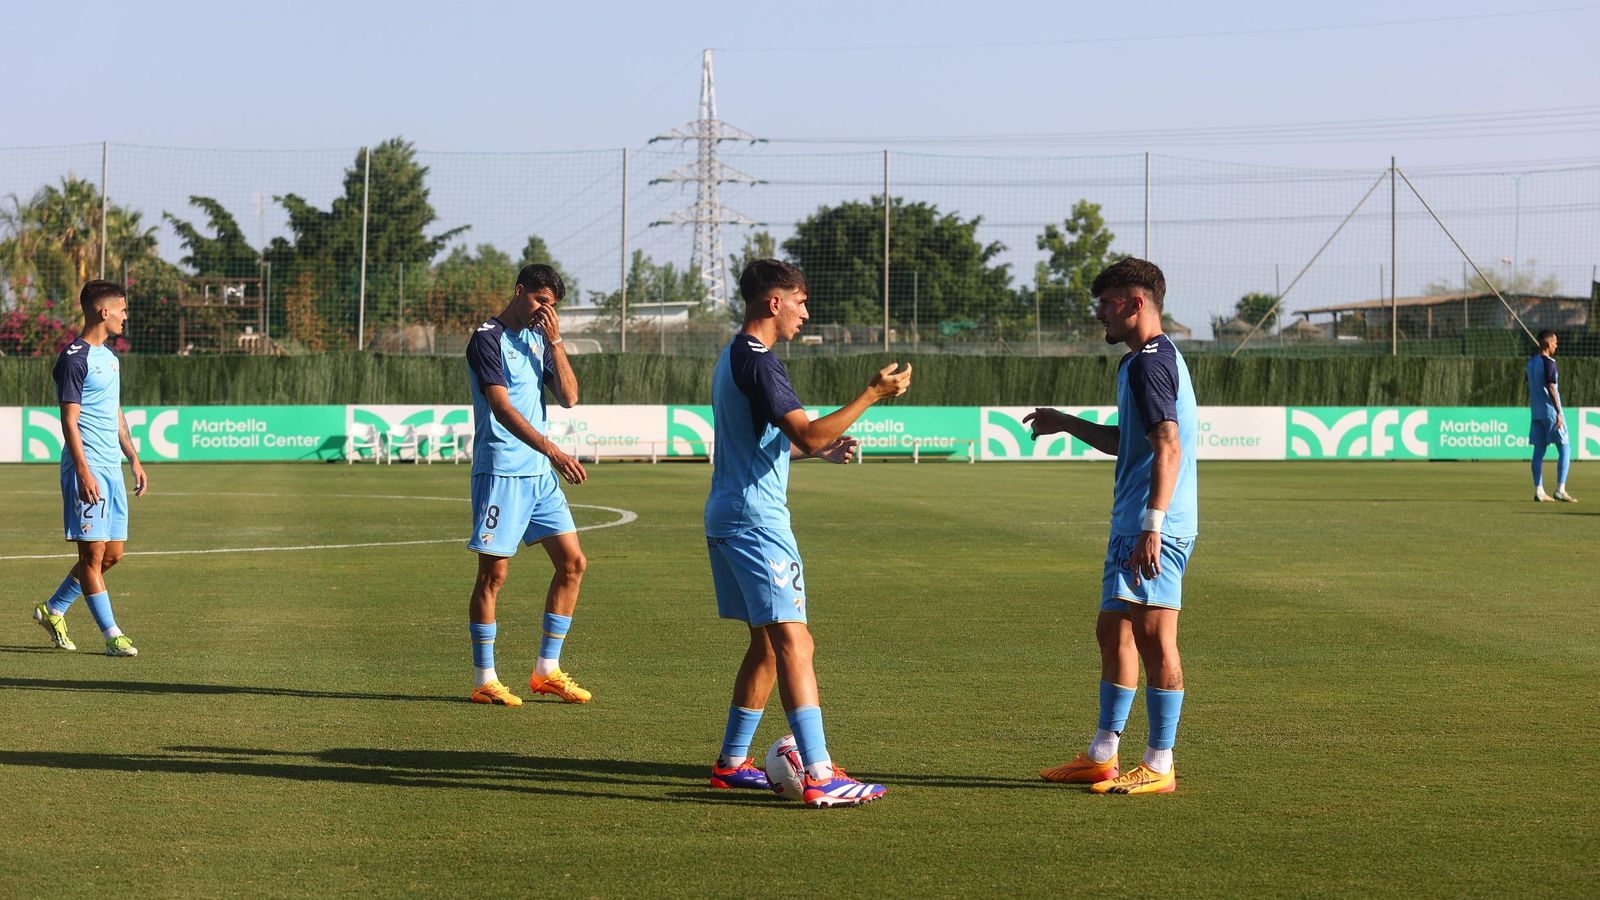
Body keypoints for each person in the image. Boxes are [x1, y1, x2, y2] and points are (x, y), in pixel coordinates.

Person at [704, 258, 911, 808]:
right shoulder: (761, 362)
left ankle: (730, 764)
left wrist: (811, 450)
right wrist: (871, 394)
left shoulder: (733, 356)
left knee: (768, 645)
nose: (805, 312)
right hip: (756, 521)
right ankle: (818, 773)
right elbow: (809, 431)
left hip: (728, 514)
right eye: (799, 300)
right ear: (774, 302)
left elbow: (773, 440)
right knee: (796, 639)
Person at [1029, 257, 1197, 795]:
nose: (1099, 313)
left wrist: (1154, 524)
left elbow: (1168, 444)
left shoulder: (1151, 362)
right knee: (1114, 632)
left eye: (1106, 303)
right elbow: (1126, 440)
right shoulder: (1135, 364)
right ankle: (1103, 754)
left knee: (1154, 637)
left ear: (1135, 302)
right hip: (1132, 523)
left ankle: (1161, 762)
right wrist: (1064, 423)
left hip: (1154, 526)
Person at [462, 264, 592, 707]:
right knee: (494, 574)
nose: (544, 311)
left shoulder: (539, 340)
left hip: (539, 476)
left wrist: (555, 340)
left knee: (573, 564)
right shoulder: (487, 338)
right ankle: (485, 678)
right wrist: (554, 450)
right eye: (539, 301)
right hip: (501, 472)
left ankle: (547, 670)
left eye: (551, 306)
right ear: (519, 292)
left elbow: (570, 397)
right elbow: (500, 407)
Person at [32, 279, 148, 657]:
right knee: (92, 557)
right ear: (104, 311)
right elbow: (69, 420)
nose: (125, 316)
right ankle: (113, 636)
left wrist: (133, 458)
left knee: (112, 555)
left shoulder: (110, 359)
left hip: (112, 470)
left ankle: (54, 609)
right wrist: (83, 470)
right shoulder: (74, 358)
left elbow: (114, 414)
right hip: (88, 468)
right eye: (123, 309)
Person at [1527, 330, 1575, 503]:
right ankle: (1560, 489)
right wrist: (1559, 413)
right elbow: (1551, 388)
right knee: (1565, 448)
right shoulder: (1549, 363)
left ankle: (1539, 491)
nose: (1556, 345)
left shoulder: (1530, 363)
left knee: (1538, 451)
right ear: (1548, 344)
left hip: (1537, 413)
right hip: (1551, 412)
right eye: (1555, 342)